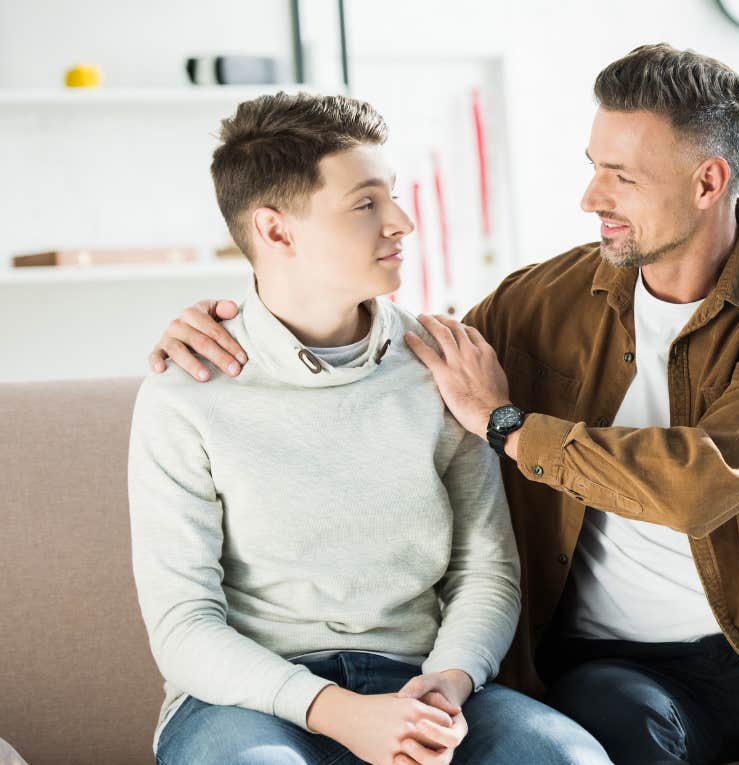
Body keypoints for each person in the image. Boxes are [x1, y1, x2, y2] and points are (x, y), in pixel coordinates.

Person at [149, 45, 739, 764]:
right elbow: (364, 339)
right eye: (592, 166)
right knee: (607, 725)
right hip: (613, 667)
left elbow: (703, 481)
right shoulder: (537, 303)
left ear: (707, 182)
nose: (590, 196)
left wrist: (511, 427)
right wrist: (224, 321)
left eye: (620, 176)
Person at [128, 92, 607, 765]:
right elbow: (184, 624)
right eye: (367, 203)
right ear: (276, 231)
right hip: (245, 703)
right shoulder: (185, 391)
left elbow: (485, 568)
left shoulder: (443, 369)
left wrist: (448, 682)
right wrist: (339, 712)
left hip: (422, 677)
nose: (403, 222)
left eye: (395, 197)